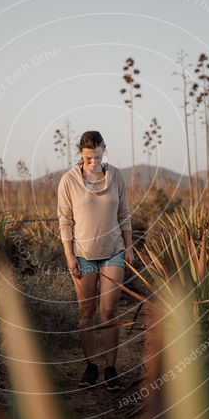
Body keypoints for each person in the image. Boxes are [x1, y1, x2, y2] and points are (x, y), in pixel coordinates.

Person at [57, 130, 134, 390]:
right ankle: (91, 366)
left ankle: (111, 369)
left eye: (97, 156)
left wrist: (129, 246)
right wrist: (69, 255)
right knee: (86, 312)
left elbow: (124, 212)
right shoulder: (68, 181)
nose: (93, 161)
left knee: (109, 311)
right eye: (88, 157)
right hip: (83, 256)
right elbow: (65, 220)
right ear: (81, 154)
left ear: (104, 150)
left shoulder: (116, 177)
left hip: (114, 251)